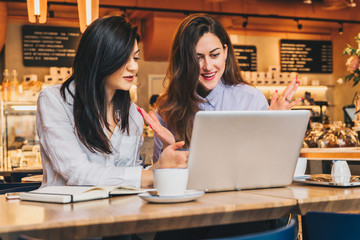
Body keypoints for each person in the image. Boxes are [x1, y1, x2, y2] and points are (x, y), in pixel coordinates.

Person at [36, 16, 187, 188]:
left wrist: (161, 164)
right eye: (124, 58)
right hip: (69, 213)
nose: (134, 67)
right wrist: (153, 175)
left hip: (118, 213)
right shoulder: (54, 100)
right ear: (99, 58)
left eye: (135, 58)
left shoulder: (132, 113)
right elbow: (77, 172)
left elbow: (131, 177)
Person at [137, 13, 302, 162]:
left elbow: (270, 162)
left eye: (214, 55)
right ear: (184, 60)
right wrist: (168, 148)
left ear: (225, 52)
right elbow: (160, 178)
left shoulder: (251, 99)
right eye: (197, 58)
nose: (208, 66)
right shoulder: (167, 110)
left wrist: (275, 126)